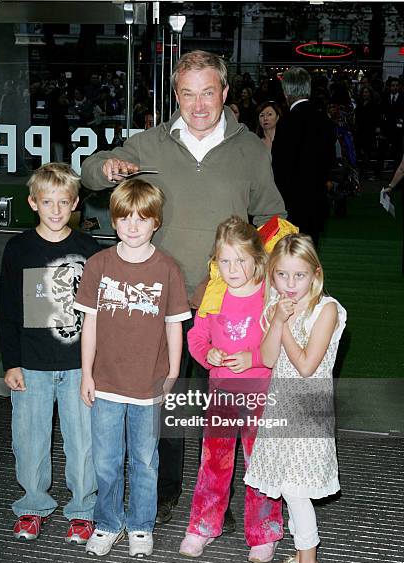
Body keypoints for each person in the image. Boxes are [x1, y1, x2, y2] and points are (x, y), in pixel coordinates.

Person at [81, 50, 286, 526]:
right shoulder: (148, 144)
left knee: (225, 407)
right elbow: (90, 174)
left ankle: (219, 496)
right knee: (168, 400)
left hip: (228, 303)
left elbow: (275, 217)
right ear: (176, 95)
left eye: (208, 92)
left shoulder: (250, 148)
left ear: (225, 94)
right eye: (188, 93)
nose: (198, 105)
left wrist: (274, 282)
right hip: (159, 297)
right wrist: (107, 167)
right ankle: (170, 491)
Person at [73, 179, 191, 558]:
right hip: (106, 383)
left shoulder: (168, 268)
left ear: (156, 221)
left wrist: (172, 371)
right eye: (125, 218)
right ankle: (107, 522)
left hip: (149, 386)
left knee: (145, 460)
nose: (133, 226)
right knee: (106, 462)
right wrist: (86, 373)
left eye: (142, 218)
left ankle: (141, 525)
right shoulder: (98, 265)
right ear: (114, 220)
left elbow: (175, 323)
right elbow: (88, 323)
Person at [0, 163, 101, 543]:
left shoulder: (89, 250)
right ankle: (32, 505)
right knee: (29, 438)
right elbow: (7, 311)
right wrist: (11, 363)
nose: (55, 210)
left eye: (63, 202)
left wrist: (95, 367)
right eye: (47, 202)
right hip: (32, 367)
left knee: (83, 441)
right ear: (32, 203)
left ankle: (83, 509)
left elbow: (97, 315)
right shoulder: (19, 249)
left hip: (78, 366)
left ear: (75, 203)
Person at [245, 234, 347, 563]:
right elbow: (270, 358)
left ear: (315, 275)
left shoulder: (327, 310)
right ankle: (301, 554)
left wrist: (284, 324)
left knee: (297, 489)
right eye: (282, 275)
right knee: (288, 487)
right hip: (280, 405)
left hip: (308, 410)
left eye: (299, 276)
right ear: (272, 276)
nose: (290, 285)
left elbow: (305, 365)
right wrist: (276, 320)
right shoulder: (277, 305)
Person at [179, 217, 283, 561]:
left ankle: (264, 532)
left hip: (260, 393)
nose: (233, 268)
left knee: (260, 462)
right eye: (225, 261)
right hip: (221, 394)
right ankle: (203, 526)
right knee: (214, 461)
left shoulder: (269, 294)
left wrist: (252, 357)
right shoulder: (214, 291)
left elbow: (282, 342)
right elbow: (196, 337)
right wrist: (207, 353)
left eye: (240, 260)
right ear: (215, 261)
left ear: (257, 258)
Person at [272, 67, 335, 246]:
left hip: (291, 206)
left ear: (286, 91)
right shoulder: (325, 120)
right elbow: (329, 161)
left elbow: (279, 168)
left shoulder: (287, 122)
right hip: (316, 203)